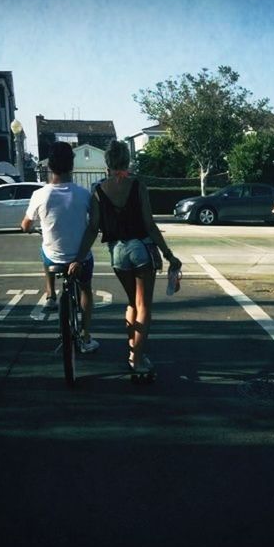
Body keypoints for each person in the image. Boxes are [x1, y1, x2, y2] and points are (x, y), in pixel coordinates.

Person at [70, 139, 182, 375]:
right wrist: (168, 254)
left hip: (117, 252)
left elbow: (93, 228)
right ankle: (137, 359)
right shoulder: (137, 185)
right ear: (127, 161)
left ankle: (134, 350)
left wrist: (79, 258)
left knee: (132, 303)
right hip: (141, 247)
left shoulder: (98, 191)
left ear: (107, 162)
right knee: (144, 306)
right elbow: (150, 224)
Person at [21, 141, 99, 353]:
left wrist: (32, 227)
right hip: (80, 259)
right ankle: (85, 335)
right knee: (86, 289)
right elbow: (94, 225)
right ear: (71, 166)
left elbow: (25, 225)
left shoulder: (40, 195)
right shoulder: (84, 195)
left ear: (49, 166)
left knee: (44, 248)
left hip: (54, 258)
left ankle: (50, 294)